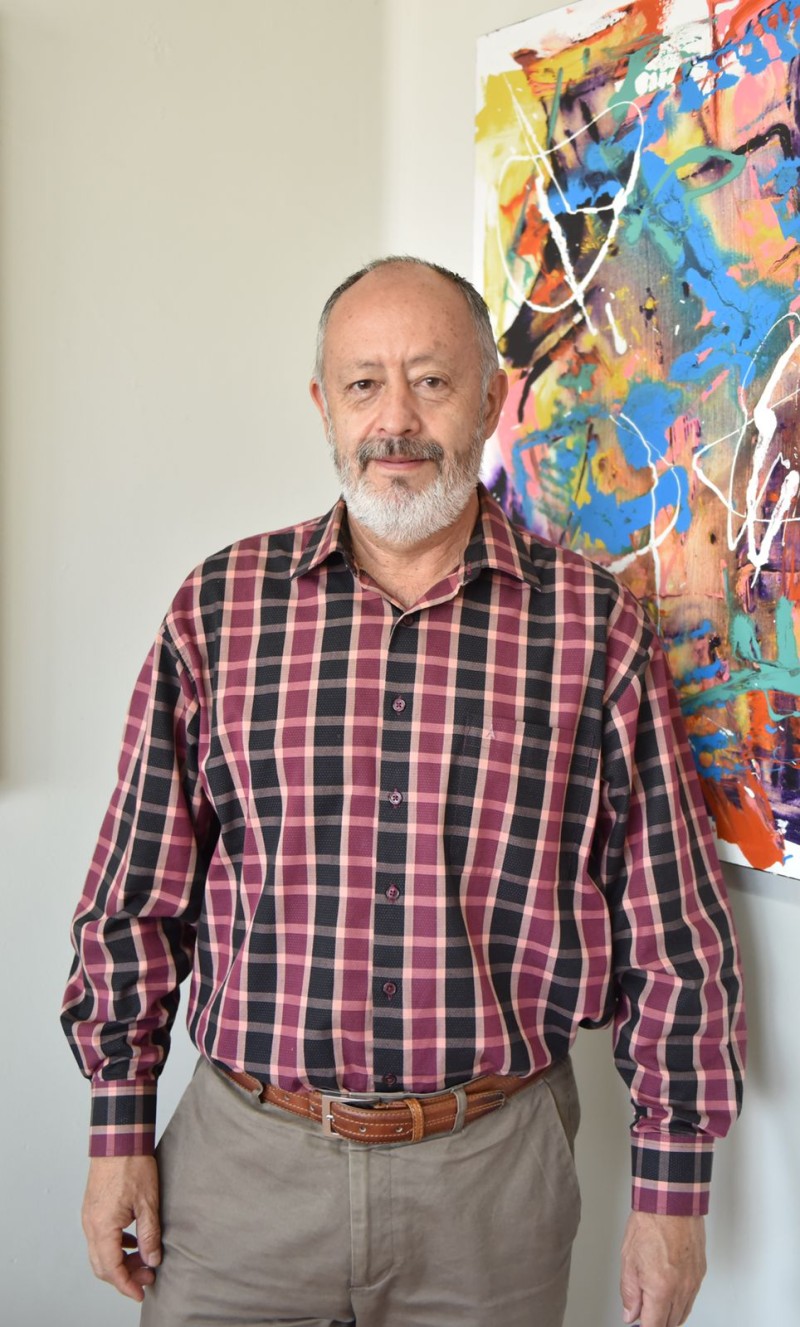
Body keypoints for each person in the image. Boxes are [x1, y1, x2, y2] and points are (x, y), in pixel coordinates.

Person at [63, 256, 745, 1327]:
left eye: (430, 380)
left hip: (490, 1182)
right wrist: (116, 1130)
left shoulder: (593, 631)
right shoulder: (219, 610)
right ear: (322, 404)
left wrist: (672, 1196)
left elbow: (674, 934)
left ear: (489, 397)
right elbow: (133, 897)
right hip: (243, 1167)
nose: (394, 420)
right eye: (363, 383)